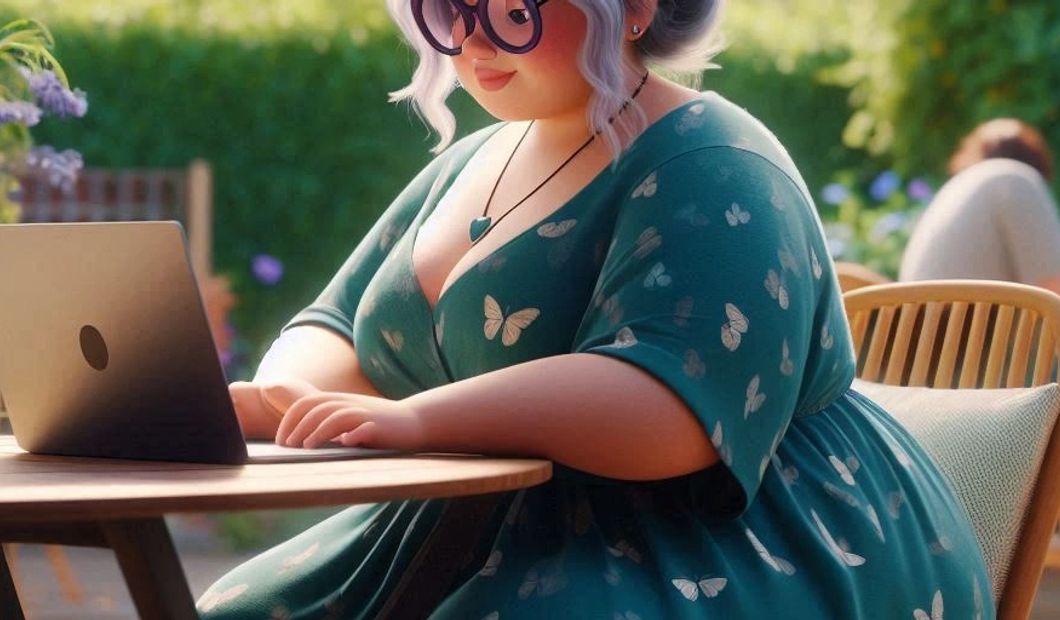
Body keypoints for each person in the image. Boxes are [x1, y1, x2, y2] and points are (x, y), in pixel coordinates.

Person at [199, 0, 993, 617]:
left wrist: (422, 420)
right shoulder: (474, 160)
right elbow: (339, 323)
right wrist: (291, 398)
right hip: (482, 522)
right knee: (236, 608)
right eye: (449, 14)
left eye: (513, 14)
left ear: (633, 7)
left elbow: (671, 408)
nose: (473, 44)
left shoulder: (716, 159)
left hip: (726, 541)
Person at [900, 118, 1060, 548]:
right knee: (1053, 361)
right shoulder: (1017, 182)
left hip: (937, 435)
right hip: (993, 427)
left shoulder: (955, 193)